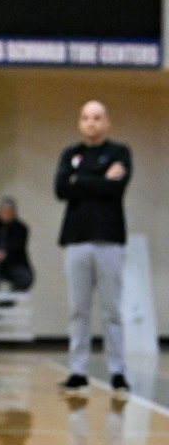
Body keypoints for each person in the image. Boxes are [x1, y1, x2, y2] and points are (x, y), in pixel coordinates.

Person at [55, 100, 132, 397]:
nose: (92, 122)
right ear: (80, 122)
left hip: (110, 241)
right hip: (76, 240)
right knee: (78, 309)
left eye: (97, 117)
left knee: (111, 309)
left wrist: (81, 180)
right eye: (86, 117)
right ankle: (78, 371)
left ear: (106, 122)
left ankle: (118, 372)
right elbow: (61, 189)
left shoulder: (119, 152)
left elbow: (117, 189)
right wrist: (100, 177)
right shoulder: (70, 154)